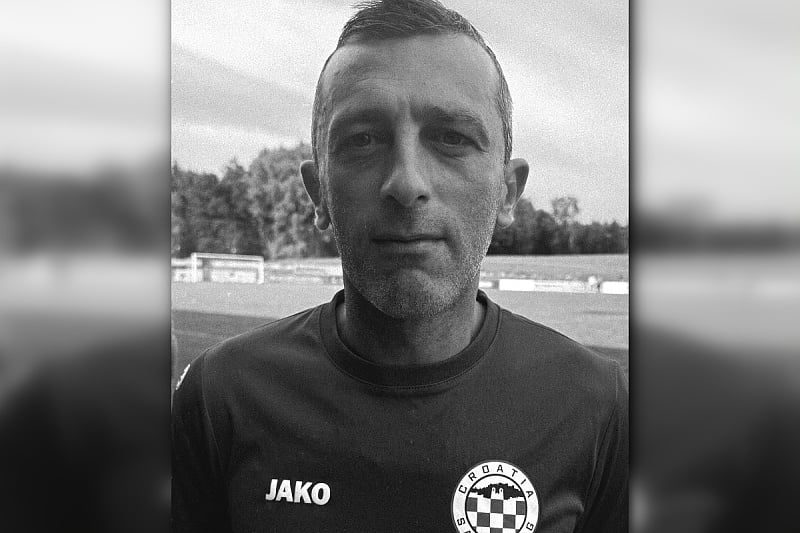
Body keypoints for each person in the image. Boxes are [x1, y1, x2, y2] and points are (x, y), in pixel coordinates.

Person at [171, 1, 628, 531]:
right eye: (362, 140)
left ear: (507, 191)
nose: (406, 182)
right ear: (319, 193)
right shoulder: (221, 396)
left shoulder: (596, 406)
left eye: (451, 138)